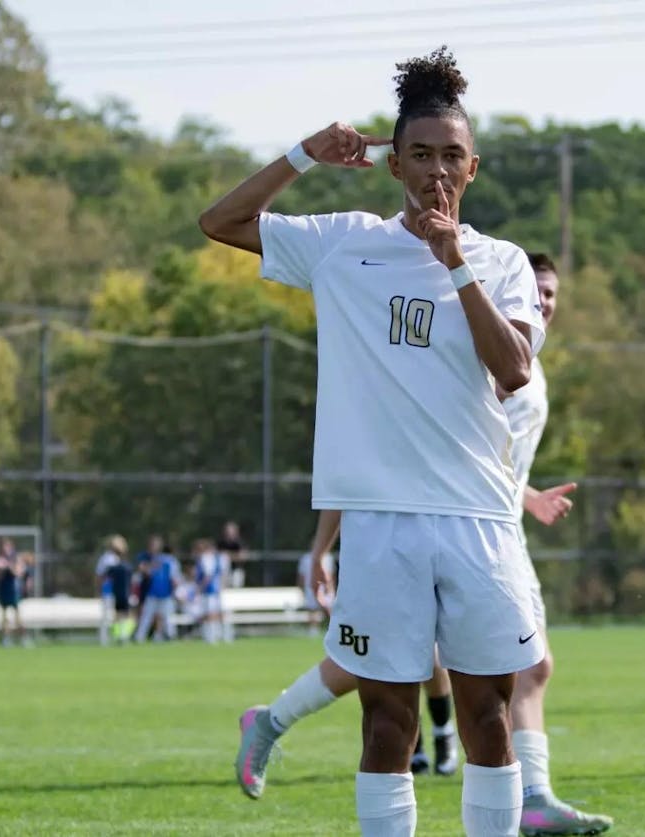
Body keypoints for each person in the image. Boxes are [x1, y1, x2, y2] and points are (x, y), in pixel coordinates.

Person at [202, 47, 547, 836]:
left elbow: (515, 370)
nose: (436, 172)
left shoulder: (501, 262)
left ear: (473, 166)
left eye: (451, 156)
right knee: (387, 724)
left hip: (478, 522)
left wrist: (452, 258)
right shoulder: (341, 242)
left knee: (487, 716)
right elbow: (218, 222)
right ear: (394, 163)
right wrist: (302, 156)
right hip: (380, 524)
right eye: (419, 155)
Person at [134, 536, 181, 643]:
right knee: (150, 616)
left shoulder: (164, 561)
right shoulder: (157, 560)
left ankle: (167, 636)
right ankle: (142, 637)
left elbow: (174, 579)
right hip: (155, 592)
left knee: (163, 617)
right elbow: (174, 579)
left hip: (162, 593)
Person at [95, 535, 130, 645]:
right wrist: (99, 589)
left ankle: (121, 636)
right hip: (109, 590)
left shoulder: (118, 559)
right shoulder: (107, 559)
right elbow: (100, 575)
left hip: (118, 591)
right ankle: (104, 639)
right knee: (106, 616)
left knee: (120, 614)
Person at [0, 538, 27, 647]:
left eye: (7, 546)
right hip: (3, 589)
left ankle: (23, 638)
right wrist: (1, 569)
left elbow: (19, 573)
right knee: (4, 615)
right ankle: (6, 638)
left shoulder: (16, 559)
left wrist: (9, 566)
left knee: (17, 615)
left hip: (14, 590)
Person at [295, 544, 333, 637]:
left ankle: (332, 629)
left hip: (325, 587)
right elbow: (302, 576)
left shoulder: (328, 557)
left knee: (329, 609)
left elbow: (330, 574)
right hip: (310, 587)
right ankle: (313, 630)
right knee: (312, 609)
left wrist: (330, 587)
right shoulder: (306, 558)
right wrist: (302, 588)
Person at [194, 539, 227, 644]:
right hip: (213, 590)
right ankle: (212, 635)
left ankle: (212, 637)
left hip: (209, 590)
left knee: (210, 613)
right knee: (209, 613)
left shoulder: (206, 558)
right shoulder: (213, 558)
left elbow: (208, 576)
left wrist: (199, 589)